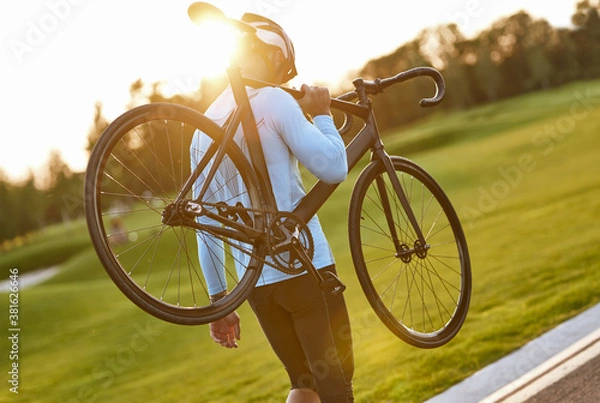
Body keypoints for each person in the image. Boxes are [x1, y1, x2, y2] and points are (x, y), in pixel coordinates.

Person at [190, 11, 354, 403]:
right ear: (270, 55)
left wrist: (219, 300)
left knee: (304, 385)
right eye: (281, 66)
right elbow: (333, 166)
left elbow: (205, 226)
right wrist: (324, 116)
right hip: (303, 267)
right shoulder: (275, 101)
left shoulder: (204, 123)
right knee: (336, 382)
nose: (281, 77)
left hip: (257, 287)